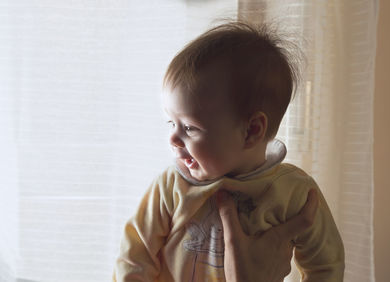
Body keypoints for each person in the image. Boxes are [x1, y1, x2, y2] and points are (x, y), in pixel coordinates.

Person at [113, 21, 344, 282]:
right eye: (171, 122)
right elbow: (135, 256)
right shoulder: (170, 185)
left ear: (252, 131)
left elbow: (326, 266)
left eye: (189, 127)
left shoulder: (294, 193)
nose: (173, 138)